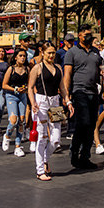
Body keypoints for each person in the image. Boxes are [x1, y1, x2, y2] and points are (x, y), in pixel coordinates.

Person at [28, 43, 73, 181]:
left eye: (53, 53)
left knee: (56, 139)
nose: (51, 55)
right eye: (49, 53)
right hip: (41, 102)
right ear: (42, 52)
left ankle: (45, 159)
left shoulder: (58, 68)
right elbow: (30, 87)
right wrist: (33, 102)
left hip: (55, 103)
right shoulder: (37, 68)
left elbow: (63, 87)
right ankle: (40, 170)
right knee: (41, 138)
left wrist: (68, 101)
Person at [64, 24, 104, 170]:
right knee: (84, 121)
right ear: (79, 36)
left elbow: (102, 68)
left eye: (91, 34)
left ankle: (85, 156)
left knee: (91, 124)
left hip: (94, 92)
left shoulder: (96, 52)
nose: (89, 36)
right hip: (79, 91)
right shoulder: (72, 52)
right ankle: (74, 151)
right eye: (86, 34)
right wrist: (66, 93)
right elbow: (67, 74)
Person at [2, 48, 30, 156]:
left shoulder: (27, 69)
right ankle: (7, 136)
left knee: (21, 121)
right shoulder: (11, 69)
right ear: (15, 57)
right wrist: (15, 89)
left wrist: (25, 88)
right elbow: (4, 84)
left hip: (22, 96)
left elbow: (29, 83)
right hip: (11, 96)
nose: (23, 58)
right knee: (13, 121)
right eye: (20, 56)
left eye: (24, 56)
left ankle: (18, 146)